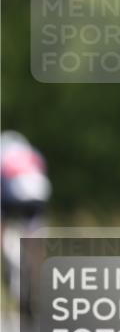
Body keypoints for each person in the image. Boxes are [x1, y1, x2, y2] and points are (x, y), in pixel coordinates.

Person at [0, 130, 52, 318]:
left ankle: (7, 263)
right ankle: (36, 275)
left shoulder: (3, 155)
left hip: (11, 194)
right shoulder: (33, 153)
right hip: (38, 195)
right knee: (35, 238)